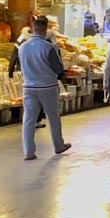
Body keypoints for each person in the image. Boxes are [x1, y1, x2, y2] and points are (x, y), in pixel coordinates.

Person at [18, 17, 71, 160]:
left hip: (28, 87)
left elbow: (20, 67)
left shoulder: (22, 47)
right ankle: (58, 145)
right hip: (47, 87)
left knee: (29, 119)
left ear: (33, 29)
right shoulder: (49, 47)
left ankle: (28, 152)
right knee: (53, 117)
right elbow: (58, 68)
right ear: (45, 30)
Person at [9, 21, 46, 129]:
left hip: (26, 71)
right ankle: (34, 120)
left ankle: (31, 120)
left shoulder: (22, 38)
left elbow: (14, 54)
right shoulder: (40, 40)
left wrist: (11, 69)